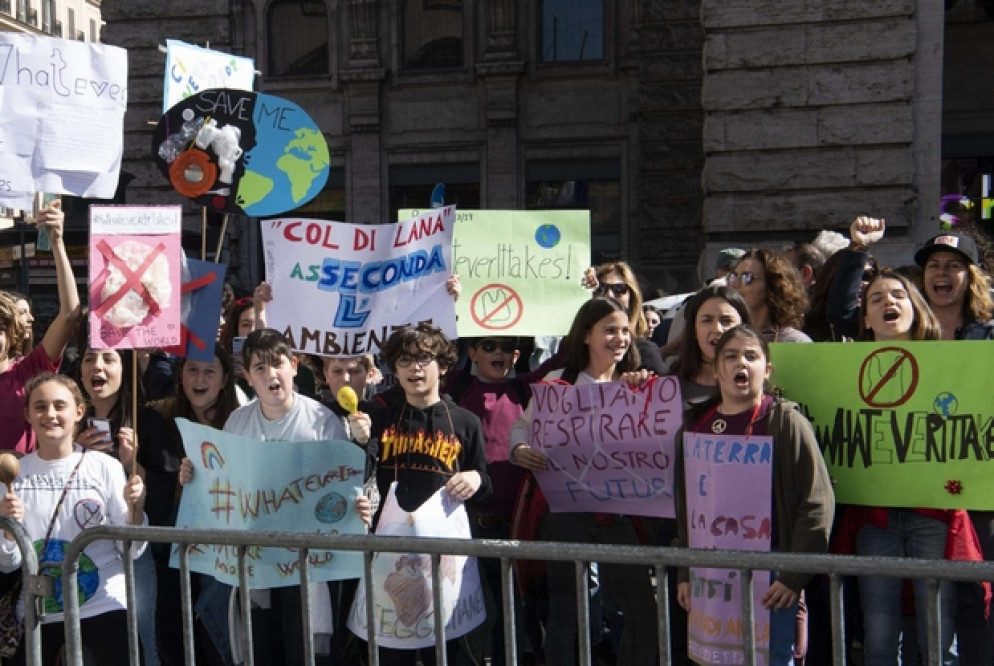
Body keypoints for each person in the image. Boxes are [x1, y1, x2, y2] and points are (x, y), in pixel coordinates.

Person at [181, 328, 370, 666]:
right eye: (259, 368)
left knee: (304, 651)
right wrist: (194, 477)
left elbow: (342, 490)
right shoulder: (237, 423)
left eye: (277, 363)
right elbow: (221, 485)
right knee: (263, 650)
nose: (271, 374)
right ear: (247, 378)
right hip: (257, 565)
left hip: (309, 565)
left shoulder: (322, 421)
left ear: (294, 366)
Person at [831, 268, 973, 666]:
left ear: (916, 309)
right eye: (876, 298)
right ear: (866, 319)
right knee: (877, 641)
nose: (888, 303)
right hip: (874, 520)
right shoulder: (842, 371)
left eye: (897, 295)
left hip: (935, 514)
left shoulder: (953, 366)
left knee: (939, 640)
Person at [510, 298, 658, 666]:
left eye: (625, 331)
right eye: (610, 330)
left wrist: (641, 393)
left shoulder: (638, 384)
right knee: (566, 609)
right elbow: (521, 426)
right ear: (587, 335)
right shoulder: (556, 384)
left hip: (620, 513)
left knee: (639, 607)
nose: (620, 338)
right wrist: (520, 449)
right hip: (566, 512)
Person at [673, 325, 834, 666]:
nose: (740, 364)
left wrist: (793, 575)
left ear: (767, 369)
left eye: (751, 356)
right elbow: (686, 506)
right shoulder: (694, 426)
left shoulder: (785, 422)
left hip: (773, 574)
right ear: (717, 370)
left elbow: (817, 503)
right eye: (730, 357)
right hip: (711, 575)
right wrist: (685, 572)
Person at [361, 323, 492, 666]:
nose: (414, 368)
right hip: (391, 562)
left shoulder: (466, 421)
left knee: (446, 654)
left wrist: (476, 479)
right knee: (391, 655)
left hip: (445, 563)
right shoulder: (380, 416)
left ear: (444, 365)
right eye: (404, 360)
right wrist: (359, 438)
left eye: (424, 358)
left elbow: (486, 484)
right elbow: (355, 469)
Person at [0, 373, 146, 665]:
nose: (50, 414)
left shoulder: (105, 467)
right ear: (27, 414)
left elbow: (130, 550)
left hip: (103, 609)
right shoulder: (13, 474)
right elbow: (8, 563)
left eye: (59, 405)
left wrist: (136, 510)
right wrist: (6, 530)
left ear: (79, 412)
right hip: (38, 615)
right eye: (40, 407)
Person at [444, 336, 546, 665]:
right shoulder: (458, 386)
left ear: (517, 356)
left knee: (512, 611)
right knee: (465, 608)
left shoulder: (525, 389)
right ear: (471, 353)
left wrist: (587, 290)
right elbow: (437, 347)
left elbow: (567, 362)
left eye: (505, 348)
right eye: (488, 346)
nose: (498, 353)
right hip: (467, 523)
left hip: (516, 524)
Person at [73, 341, 169, 666]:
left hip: (133, 550)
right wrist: (73, 452)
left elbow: (161, 494)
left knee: (142, 639)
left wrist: (132, 463)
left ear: (124, 368)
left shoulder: (147, 421)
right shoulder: (70, 423)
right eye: (89, 359)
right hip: (84, 552)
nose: (97, 367)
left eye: (108, 359)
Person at [148, 348, 240, 666]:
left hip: (227, 535)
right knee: (178, 620)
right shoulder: (160, 416)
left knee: (218, 621)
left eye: (210, 371)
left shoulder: (242, 418)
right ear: (181, 376)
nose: (200, 379)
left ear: (225, 380)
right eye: (192, 370)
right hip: (179, 538)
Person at [0, 200, 82, 453]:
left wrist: (57, 242)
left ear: (12, 334)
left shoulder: (28, 372)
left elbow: (69, 314)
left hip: (26, 489)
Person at [672, 285, 752, 407]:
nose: (717, 329)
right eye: (707, 320)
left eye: (726, 320)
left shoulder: (756, 382)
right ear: (694, 330)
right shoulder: (669, 385)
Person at [728, 248, 812, 343]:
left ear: (773, 285)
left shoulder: (795, 342)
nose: (734, 284)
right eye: (733, 276)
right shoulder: (726, 338)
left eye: (746, 277)